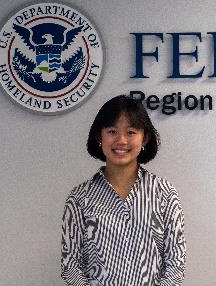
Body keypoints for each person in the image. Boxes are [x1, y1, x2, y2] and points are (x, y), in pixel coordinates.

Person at [61, 95, 186, 286]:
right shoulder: (79, 198)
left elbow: (175, 265)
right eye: (112, 131)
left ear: (145, 138)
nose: (121, 140)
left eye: (131, 132)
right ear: (99, 137)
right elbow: (71, 266)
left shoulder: (164, 193)